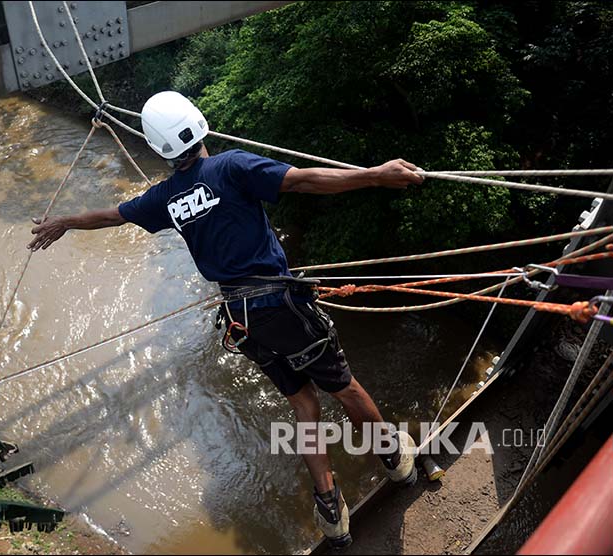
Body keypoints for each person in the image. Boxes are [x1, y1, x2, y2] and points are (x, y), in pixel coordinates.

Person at [27, 91, 424, 548]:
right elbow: (301, 181)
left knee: (304, 404)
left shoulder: (165, 198)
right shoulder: (231, 166)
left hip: (242, 321)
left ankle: (331, 512)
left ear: (159, 148)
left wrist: (66, 222)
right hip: (280, 306)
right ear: (199, 125)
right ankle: (396, 463)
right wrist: (375, 175)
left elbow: (113, 215)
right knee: (344, 386)